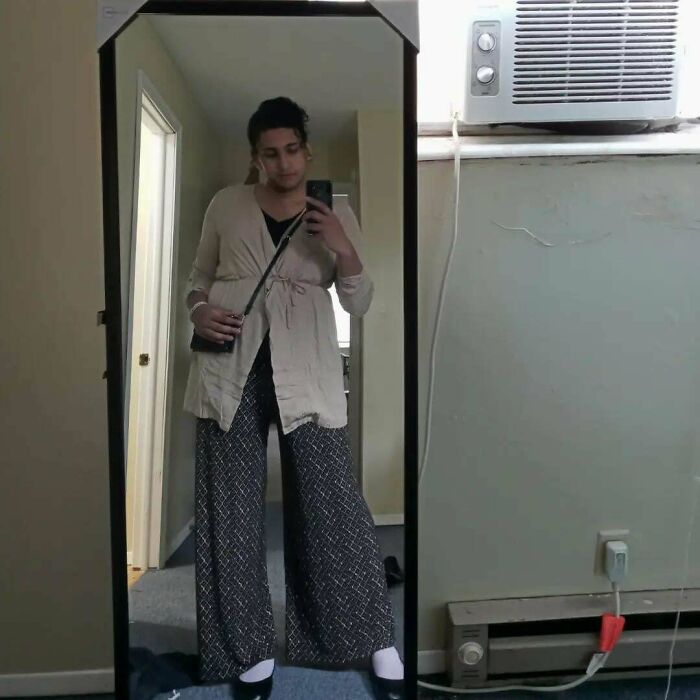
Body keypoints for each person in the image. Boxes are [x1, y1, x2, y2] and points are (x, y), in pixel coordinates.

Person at [182, 96, 404, 697]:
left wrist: (342, 246)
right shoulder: (226, 204)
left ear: (307, 150)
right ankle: (244, 646)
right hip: (230, 365)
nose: (283, 164)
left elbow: (359, 300)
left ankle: (368, 634)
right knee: (229, 510)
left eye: (292, 150)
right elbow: (198, 279)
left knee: (333, 504)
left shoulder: (336, 210)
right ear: (255, 157)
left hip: (306, 369)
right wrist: (198, 311)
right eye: (270, 154)